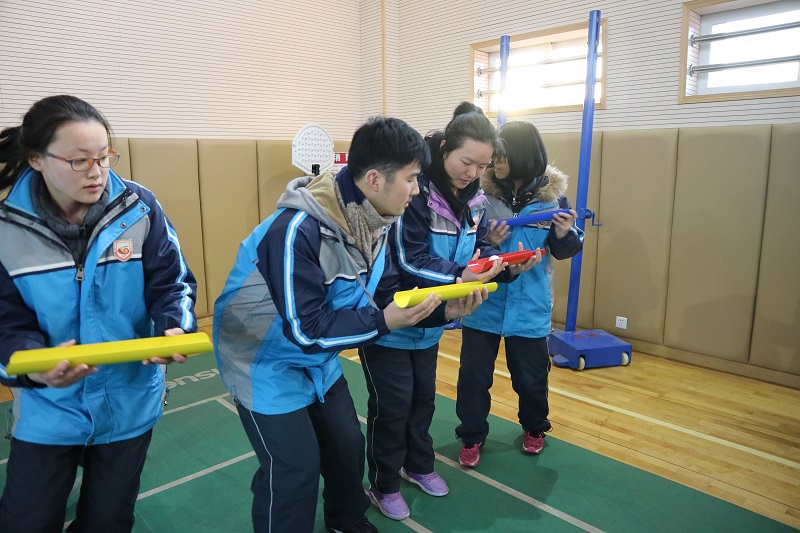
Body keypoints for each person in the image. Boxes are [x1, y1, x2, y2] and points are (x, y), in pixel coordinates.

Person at [213, 116, 488, 533]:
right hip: (262, 361)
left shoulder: (377, 222)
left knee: (347, 447)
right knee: (294, 469)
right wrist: (383, 322)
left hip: (317, 360)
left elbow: (386, 293)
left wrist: (442, 313)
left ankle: (346, 519)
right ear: (375, 179)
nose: (418, 190)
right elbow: (306, 329)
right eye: (413, 179)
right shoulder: (294, 232)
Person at [0, 95, 198, 532]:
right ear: (36, 158)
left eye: (104, 156)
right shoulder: (5, 228)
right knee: (25, 521)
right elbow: (4, 323)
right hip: (50, 408)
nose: (96, 171)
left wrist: (174, 328)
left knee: (108, 520)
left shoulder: (139, 207)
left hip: (128, 403)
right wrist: (37, 369)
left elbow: (174, 282)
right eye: (78, 160)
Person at [358, 103, 539, 521]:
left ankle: (417, 465)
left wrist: (501, 266)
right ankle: (383, 484)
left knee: (423, 400)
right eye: (466, 161)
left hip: (432, 320)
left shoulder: (474, 199)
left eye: (482, 165)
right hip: (389, 318)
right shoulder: (415, 192)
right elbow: (409, 259)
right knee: (392, 405)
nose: (473, 172)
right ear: (444, 149)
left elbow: (474, 253)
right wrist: (461, 275)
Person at [456, 120, 584, 467]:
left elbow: (567, 249)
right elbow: (467, 245)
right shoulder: (481, 196)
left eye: (501, 156)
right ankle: (470, 435)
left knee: (531, 379)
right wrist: (488, 242)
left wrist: (563, 234)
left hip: (530, 307)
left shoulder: (554, 198)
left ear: (523, 155)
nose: (494, 163)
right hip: (484, 303)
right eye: (493, 157)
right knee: (472, 377)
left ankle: (535, 428)